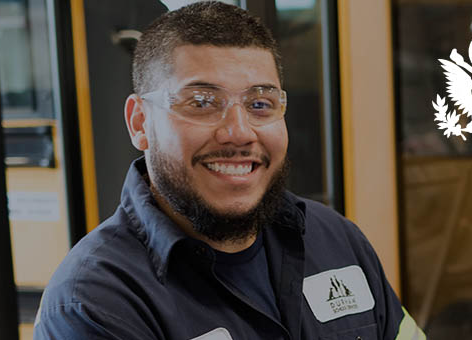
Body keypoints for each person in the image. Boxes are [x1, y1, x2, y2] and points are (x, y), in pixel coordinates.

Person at [33, 2, 425, 339]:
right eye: (202, 102)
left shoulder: (336, 240)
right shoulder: (95, 303)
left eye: (260, 104)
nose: (238, 132)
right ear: (139, 123)